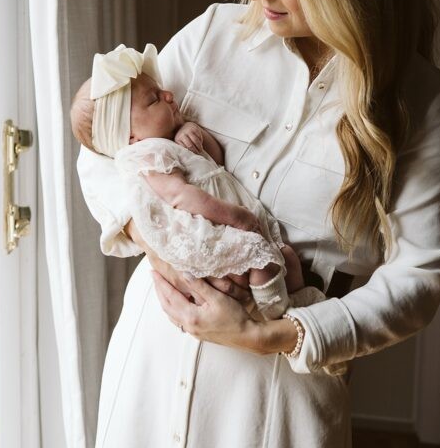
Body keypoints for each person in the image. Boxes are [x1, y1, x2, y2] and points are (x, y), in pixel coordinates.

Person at [77, 0, 440, 448]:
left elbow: (421, 277)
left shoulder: (423, 103)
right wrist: (158, 235)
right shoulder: (211, 38)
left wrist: (271, 336)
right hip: (151, 362)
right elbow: (103, 147)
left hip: (275, 398)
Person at [68, 43, 309, 320]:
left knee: (285, 257)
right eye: (154, 99)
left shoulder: (168, 141)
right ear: (129, 136)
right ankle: (275, 317)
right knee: (263, 263)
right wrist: (233, 216)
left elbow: (215, 161)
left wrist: (192, 132)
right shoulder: (147, 155)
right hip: (212, 226)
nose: (169, 95)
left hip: (235, 219)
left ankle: (296, 311)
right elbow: (181, 197)